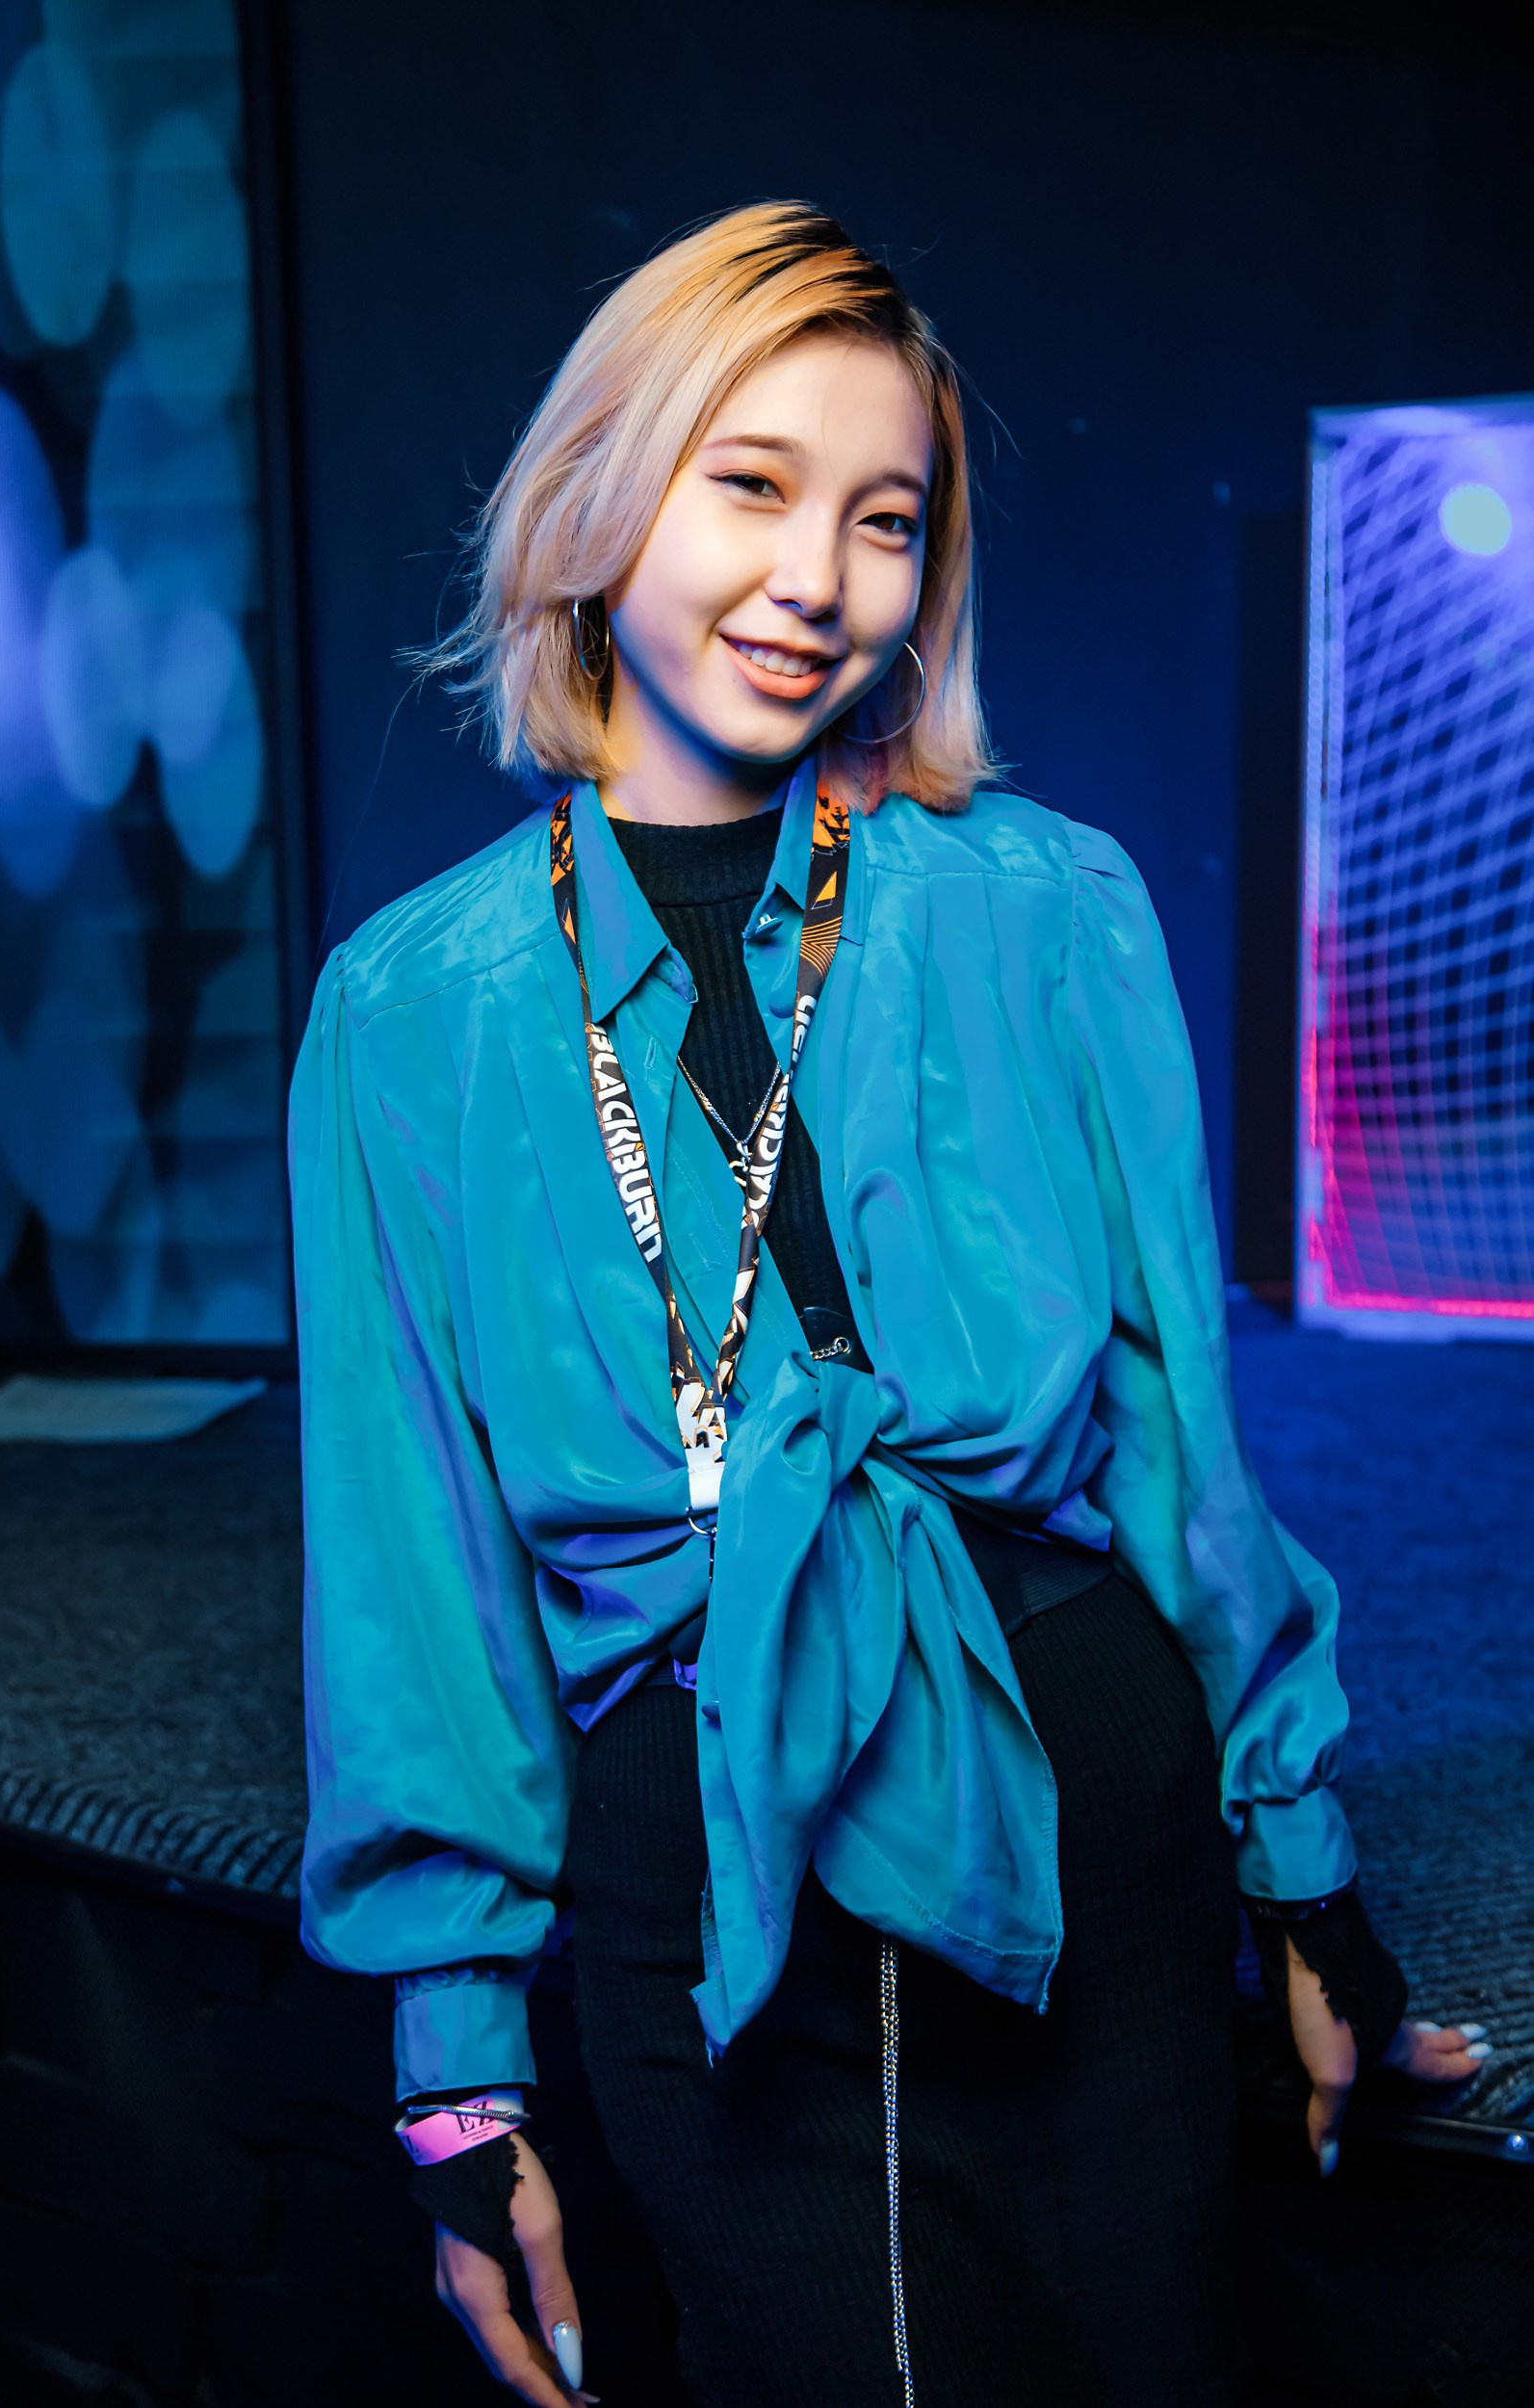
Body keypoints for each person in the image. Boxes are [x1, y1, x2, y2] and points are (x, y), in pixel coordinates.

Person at [288, 204, 1489, 2408]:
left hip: (1086, 1788)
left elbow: (1180, 1441)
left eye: (887, 516)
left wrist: (1303, 1871)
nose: (821, 577)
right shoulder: (406, 1010)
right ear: (598, 496)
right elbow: (411, 1573)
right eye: (753, 483)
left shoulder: (1047, 904)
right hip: (701, 1844)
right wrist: (456, 2076)